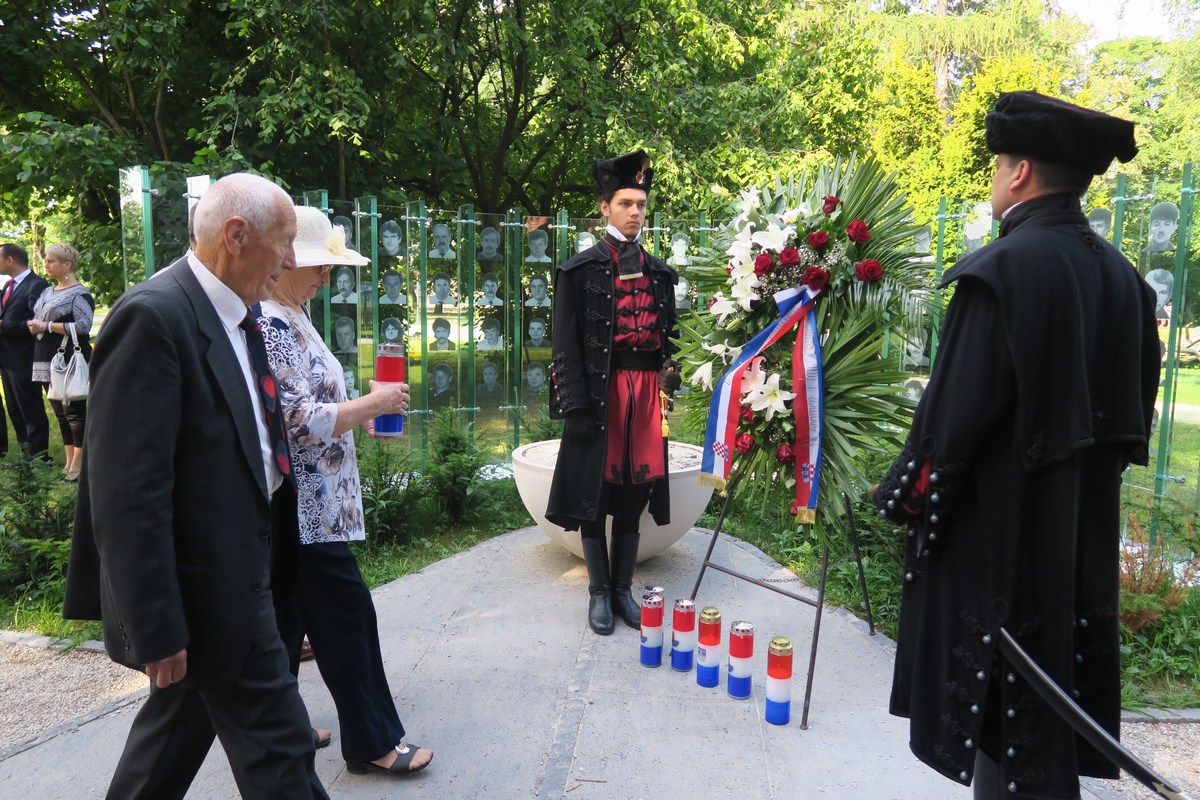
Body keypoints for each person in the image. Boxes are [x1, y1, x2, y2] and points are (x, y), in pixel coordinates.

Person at [872, 92, 1158, 800]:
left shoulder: (998, 272)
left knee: (996, 711)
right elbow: (1131, 425)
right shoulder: (1127, 283)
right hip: (1074, 550)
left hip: (994, 543)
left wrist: (899, 501)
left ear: (1021, 171)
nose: (993, 179)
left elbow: (948, 428)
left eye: (997, 165)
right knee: (1035, 721)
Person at [62, 172, 330, 799]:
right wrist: (155, 626)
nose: (293, 260)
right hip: (207, 589)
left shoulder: (242, 311)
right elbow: (128, 494)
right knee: (283, 750)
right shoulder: (154, 318)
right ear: (236, 236)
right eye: (285, 242)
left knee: (172, 738)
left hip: (248, 569)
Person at [258, 205, 432, 779]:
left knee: (285, 622)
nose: (327, 277)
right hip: (304, 506)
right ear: (285, 260)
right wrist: (373, 406)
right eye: (319, 266)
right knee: (348, 616)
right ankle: (373, 742)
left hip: (307, 504)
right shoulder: (273, 322)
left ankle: (282, 730)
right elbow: (298, 420)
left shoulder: (290, 311)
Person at [545, 149, 681, 637]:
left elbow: (671, 341)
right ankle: (599, 594)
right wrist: (574, 406)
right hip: (601, 397)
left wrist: (672, 371)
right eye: (625, 203)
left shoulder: (661, 274)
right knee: (594, 492)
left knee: (633, 493)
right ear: (605, 208)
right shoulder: (577, 272)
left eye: (641, 204)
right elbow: (564, 348)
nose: (635, 212)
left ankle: (623, 590)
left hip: (646, 399)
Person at [28, 243, 94, 480]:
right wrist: (35, 325)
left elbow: (84, 326)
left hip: (69, 357)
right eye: (46, 260)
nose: (46, 264)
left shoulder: (79, 293)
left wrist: (47, 326)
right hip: (46, 356)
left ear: (68, 265)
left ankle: (79, 465)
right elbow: (39, 318)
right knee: (60, 413)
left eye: (52, 261)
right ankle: (68, 463)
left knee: (74, 411)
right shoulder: (48, 291)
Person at [0, 242, 50, 458]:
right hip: (7, 358)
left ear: (10, 260)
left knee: (30, 408)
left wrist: (4, 327)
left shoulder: (36, 285)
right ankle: (26, 458)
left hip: (24, 358)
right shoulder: (7, 286)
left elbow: (37, 321)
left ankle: (40, 457)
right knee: (15, 409)